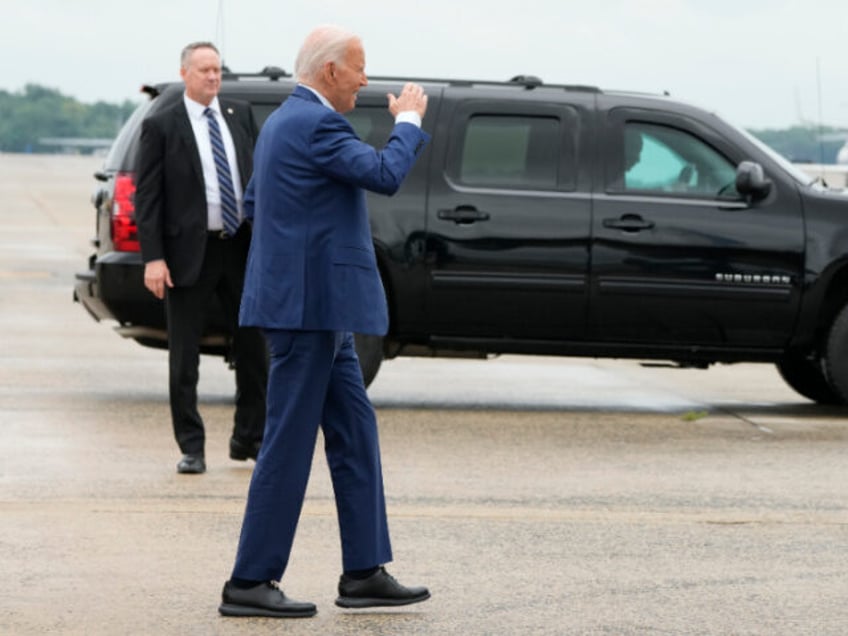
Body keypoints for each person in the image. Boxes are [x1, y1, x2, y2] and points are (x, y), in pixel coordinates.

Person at [217, 25, 431, 619]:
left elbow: (258, 206)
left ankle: (364, 571)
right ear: (330, 71)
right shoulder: (315, 123)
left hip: (317, 308)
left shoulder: (284, 122)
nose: (365, 81)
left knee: (355, 435)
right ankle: (250, 581)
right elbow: (385, 173)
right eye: (359, 69)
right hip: (309, 311)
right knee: (287, 443)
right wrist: (408, 121)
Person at [135, 42, 268, 475]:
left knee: (253, 348)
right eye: (205, 70)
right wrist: (154, 259)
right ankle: (191, 446)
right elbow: (148, 199)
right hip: (190, 254)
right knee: (184, 356)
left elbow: (258, 178)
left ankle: (248, 438)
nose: (213, 77)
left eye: (218, 70)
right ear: (185, 73)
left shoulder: (239, 115)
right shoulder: (162, 125)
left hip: (240, 247)